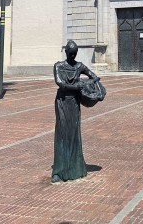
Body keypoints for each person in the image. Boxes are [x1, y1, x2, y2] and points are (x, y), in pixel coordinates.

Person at [51, 40, 99, 182]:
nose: (72, 56)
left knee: (74, 133)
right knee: (62, 133)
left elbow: (94, 76)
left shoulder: (79, 66)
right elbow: (60, 83)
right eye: (70, 54)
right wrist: (78, 86)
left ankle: (75, 168)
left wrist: (88, 84)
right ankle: (59, 171)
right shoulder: (58, 66)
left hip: (74, 102)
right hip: (62, 102)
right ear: (65, 52)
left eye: (74, 54)